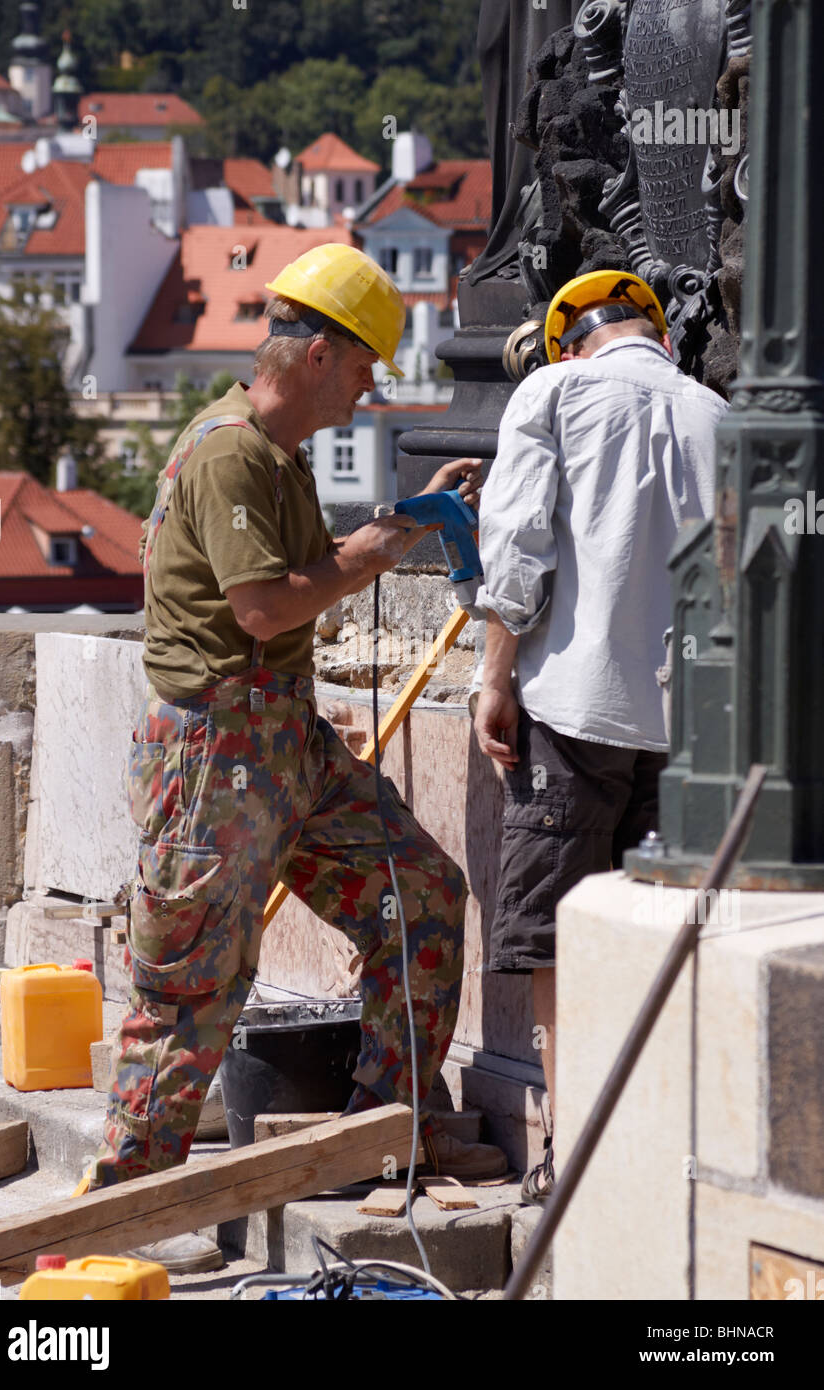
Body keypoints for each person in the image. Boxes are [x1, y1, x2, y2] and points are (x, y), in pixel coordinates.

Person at [87, 243, 506, 1271]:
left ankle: (383, 1120)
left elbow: (296, 584)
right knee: (190, 989)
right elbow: (265, 604)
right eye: (364, 364)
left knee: (417, 889)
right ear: (316, 353)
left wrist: (396, 528)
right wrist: (375, 549)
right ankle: (124, 1208)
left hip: (279, 735)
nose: (372, 385)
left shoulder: (277, 456)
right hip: (215, 750)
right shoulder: (231, 451)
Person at [471, 271, 729, 1201]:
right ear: (656, 334)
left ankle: (568, 1156)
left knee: (558, 935)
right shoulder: (721, 414)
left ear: (570, 340)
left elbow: (517, 552)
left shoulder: (553, 391)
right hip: (691, 727)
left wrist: (493, 678)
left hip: (575, 712)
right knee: (668, 937)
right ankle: (665, 1161)